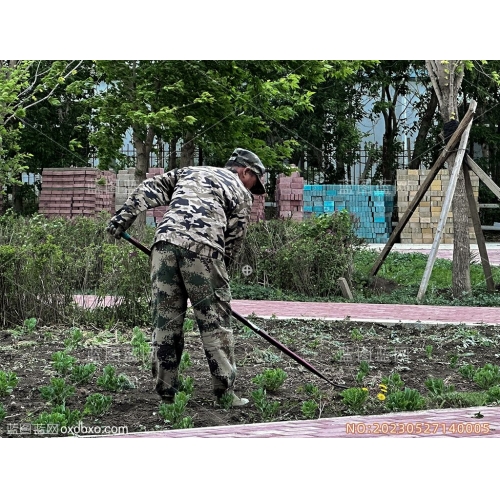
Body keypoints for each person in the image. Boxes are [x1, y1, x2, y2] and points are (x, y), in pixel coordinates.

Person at [106, 148, 266, 407]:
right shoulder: (240, 192)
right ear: (246, 172)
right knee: (215, 324)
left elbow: (148, 188)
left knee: (166, 322)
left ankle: (166, 394)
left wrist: (121, 220)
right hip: (204, 251)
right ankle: (224, 394)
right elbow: (234, 240)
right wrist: (219, 279)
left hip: (164, 245)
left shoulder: (190, 172)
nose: (253, 188)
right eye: (254, 181)